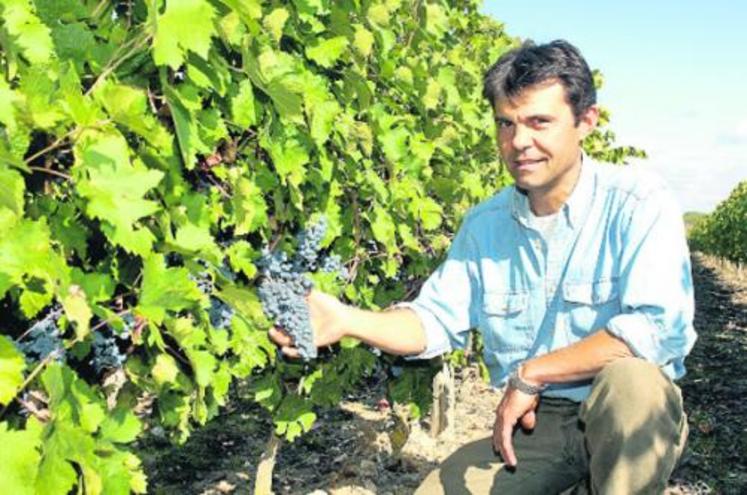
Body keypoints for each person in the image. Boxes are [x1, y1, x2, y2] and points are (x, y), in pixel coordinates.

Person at [269, 39, 696, 493]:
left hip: (623, 418)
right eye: (506, 124)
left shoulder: (638, 203)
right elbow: (432, 320)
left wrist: (533, 373)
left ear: (586, 121)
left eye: (539, 122)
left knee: (634, 384)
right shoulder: (485, 225)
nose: (519, 143)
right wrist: (348, 320)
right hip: (537, 425)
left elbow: (657, 329)